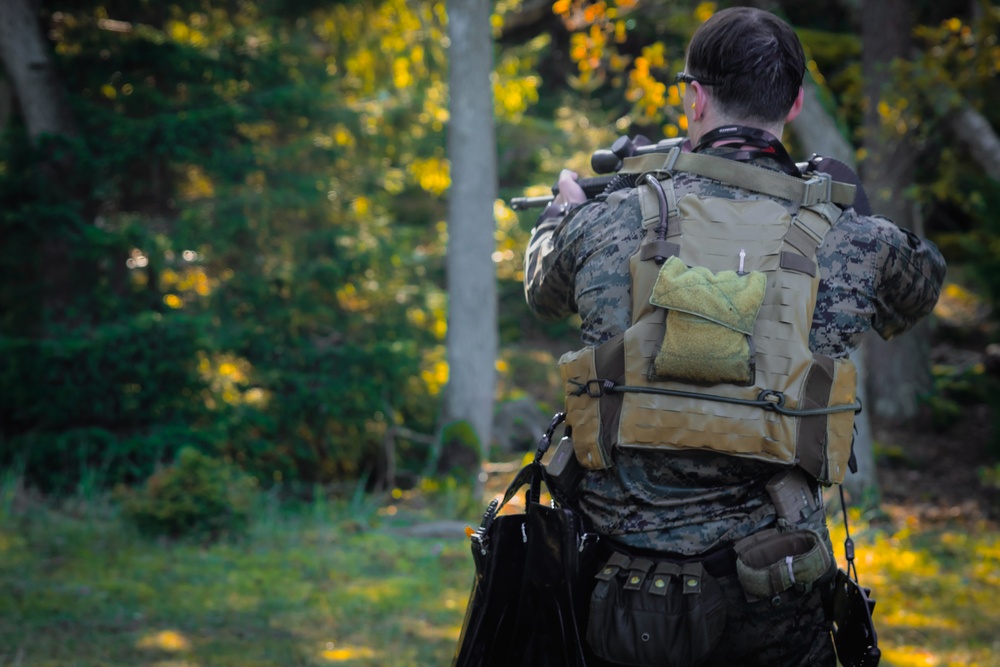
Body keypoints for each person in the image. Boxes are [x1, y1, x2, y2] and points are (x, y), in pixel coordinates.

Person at [524, 7, 946, 667]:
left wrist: (561, 210)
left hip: (621, 596)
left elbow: (541, 288)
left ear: (694, 99)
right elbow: (920, 288)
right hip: (775, 586)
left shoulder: (604, 223)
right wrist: (852, 201)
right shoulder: (853, 240)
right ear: (796, 101)